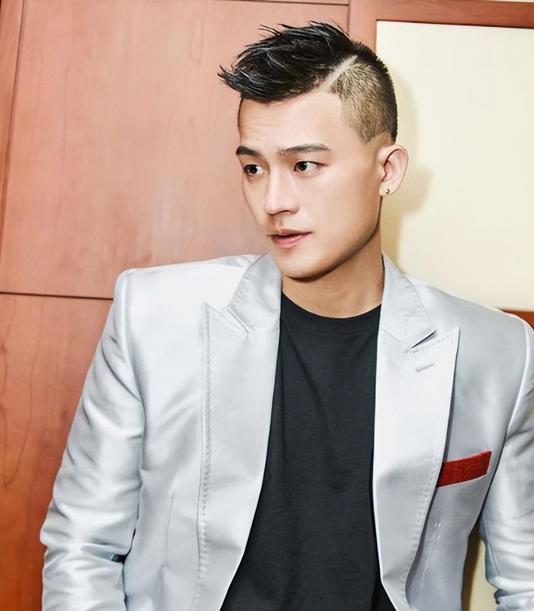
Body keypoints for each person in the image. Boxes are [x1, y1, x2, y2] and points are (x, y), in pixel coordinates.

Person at [40, 20, 534, 611]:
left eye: (305, 166)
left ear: (388, 170)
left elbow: (527, 581)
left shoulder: (498, 353)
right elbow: (81, 548)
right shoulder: (152, 317)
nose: (274, 201)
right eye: (254, 168)